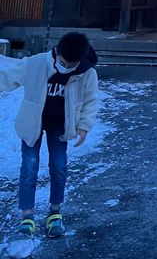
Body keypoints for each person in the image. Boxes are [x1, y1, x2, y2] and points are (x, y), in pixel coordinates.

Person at [0, 32, 99, 241]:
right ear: (57, 52)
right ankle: (27, 215)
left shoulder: (87, 73)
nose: (67, 67)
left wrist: (84, 126)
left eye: (71, 65)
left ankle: (55, 212)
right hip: (32, 123)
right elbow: (7, 77)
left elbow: (91, 101)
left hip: (61, 126)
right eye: (63, 62)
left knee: (59, 166)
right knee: (29, 166)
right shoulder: (35, 64)